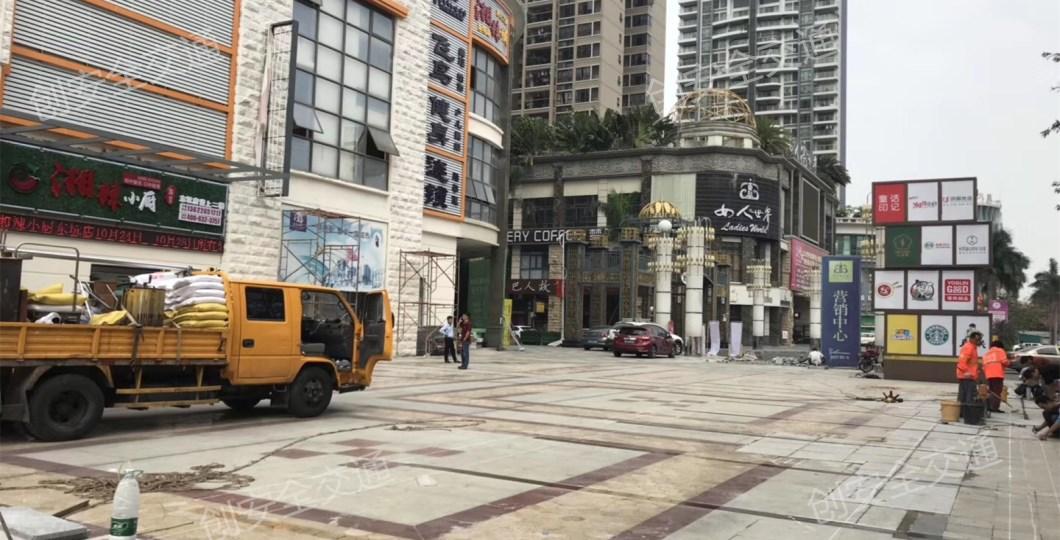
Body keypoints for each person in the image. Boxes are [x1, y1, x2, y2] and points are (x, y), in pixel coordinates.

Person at [956, 331, 984, 423]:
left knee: (963, 396)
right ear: (973, 339)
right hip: (967, 376)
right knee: (970, 396)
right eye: (978, 339)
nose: (980, 341)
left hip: (967, 376)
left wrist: (976, 370)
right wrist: (968, 372)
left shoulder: (972, 347)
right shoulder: (969, 347)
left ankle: (962, 413)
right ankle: (969, 415)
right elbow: (962, 362)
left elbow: (970, 363)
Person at [982, 339, 1011, 412]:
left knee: (991, 391)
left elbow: (984, 366)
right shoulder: (1000, 351)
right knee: (997, 391)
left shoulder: (987, 353)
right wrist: (1010, 362)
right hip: (997, 374)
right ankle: (994, 408)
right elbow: (1004, 361)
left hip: (989, 374)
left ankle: (989, 406)